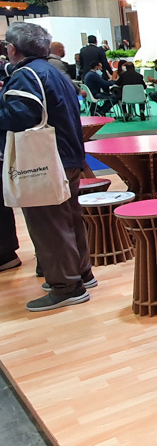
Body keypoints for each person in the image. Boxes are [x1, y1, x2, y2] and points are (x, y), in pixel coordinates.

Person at [0, 22, 95, 312]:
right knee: (69, 218)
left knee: (49, 224)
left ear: (12, 49)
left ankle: (66, 286)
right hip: (67, 156)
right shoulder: (54, 71)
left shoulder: (27, 75)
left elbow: (19, 118)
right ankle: (81, 273)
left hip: (44, 161)